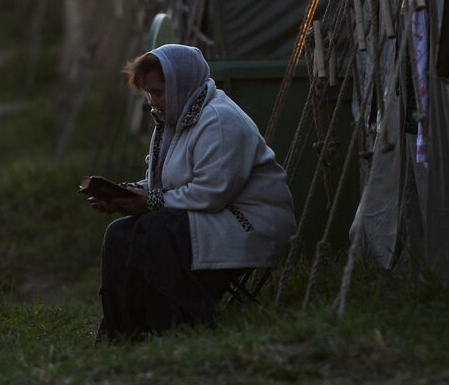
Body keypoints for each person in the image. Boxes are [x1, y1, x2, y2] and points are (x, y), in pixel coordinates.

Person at [88, 44, 295, 339]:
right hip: (210, 216)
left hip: (248, 222)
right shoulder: (174, 122)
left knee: (156, 226)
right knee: (119, 233)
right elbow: (161, 183)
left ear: (180, 84)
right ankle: (125, 332)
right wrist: (126, 195)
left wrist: (150, 202)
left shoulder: (219, 120)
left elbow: (211, 193)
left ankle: (175, 325)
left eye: (158, 93)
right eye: (150, 94)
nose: (153, 103)